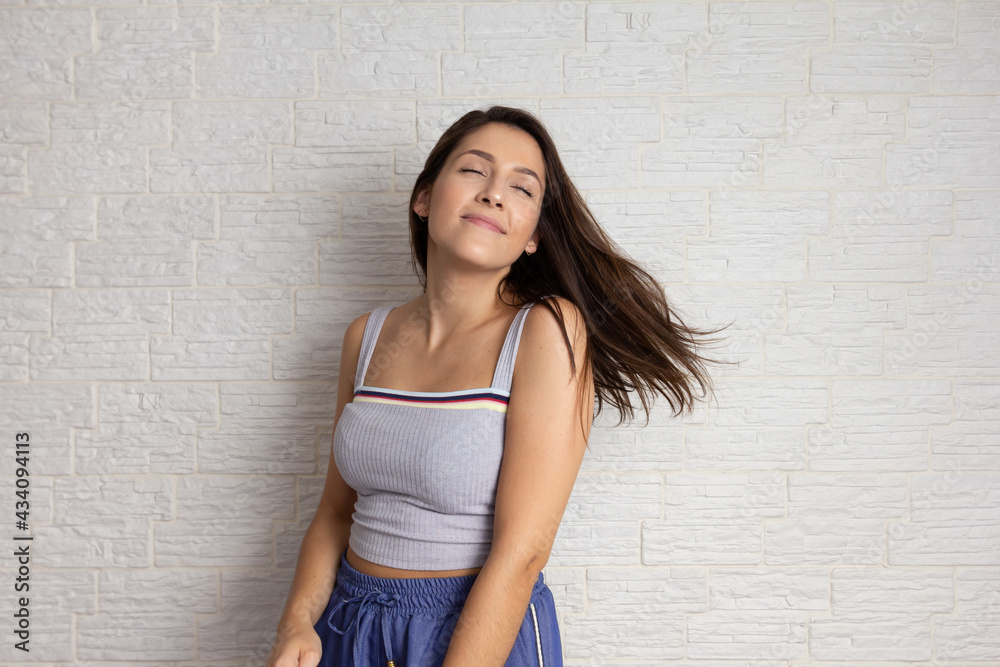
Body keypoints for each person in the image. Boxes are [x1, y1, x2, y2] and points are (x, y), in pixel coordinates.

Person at [266, 106, 722, 667]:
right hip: (349, 625)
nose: (494, 194)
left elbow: (522, 553)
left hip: (477, 633)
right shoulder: (366, 336)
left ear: (533, 236)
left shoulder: (546, 330)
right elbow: (335, 513)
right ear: (424, 197)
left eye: (522, 188)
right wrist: (295, 626)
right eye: (473, 171)